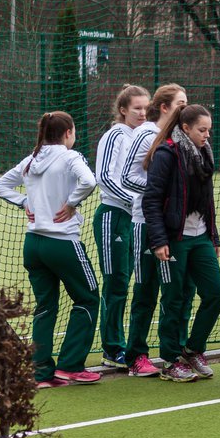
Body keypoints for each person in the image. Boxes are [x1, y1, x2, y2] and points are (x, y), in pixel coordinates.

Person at [0, 112, 101, 388]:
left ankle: (41, 373)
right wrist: (72, 203)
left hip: (33, 245)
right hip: (63, 242)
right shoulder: (69, 156)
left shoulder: (31, 159)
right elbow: (89, 181)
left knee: (45, 306)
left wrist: (24, 203)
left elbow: (0, 186)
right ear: (67, 133)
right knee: (88, 299)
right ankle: (70, 366)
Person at [142, 104, 220, 384]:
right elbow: (151, 200)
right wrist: (159, 240)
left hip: (199, 237)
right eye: (202, 130)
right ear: (185, 128)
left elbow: (208, 200)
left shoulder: (203, 153)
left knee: (215, 293)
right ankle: (169, 360)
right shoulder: (166, 153)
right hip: (173, 239)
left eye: (209, 130)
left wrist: (212, 236)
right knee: (174, 299)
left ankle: (193, 350)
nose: (207, 135)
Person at [120, 83, 187, 376]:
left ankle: (175, 352)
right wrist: (158, 195)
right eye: (180, 103)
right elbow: (127, 176)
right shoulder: (145, 134)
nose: (186, 107)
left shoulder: (180, 136)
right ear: (163, 107)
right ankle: (136, 356)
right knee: (146, 290)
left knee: (178, 291)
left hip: (175, 227)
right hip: (146, 223)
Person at [92, 85, 150, 371]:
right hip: (113, 215)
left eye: (145, 107)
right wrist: (135, 198)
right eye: (136, 107)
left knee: (130, 282)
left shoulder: (143, 135)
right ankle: (112, 348)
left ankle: (123, 345)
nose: (142, 112)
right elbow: (103, 176)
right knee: (115, 284)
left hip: (134, 219)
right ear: (123, 109)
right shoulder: (115, 134)